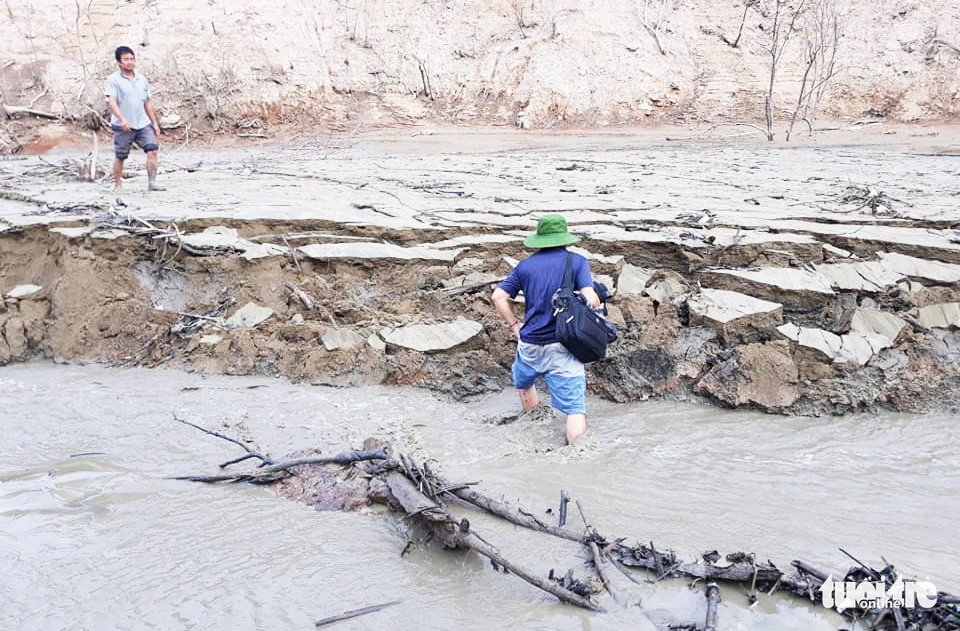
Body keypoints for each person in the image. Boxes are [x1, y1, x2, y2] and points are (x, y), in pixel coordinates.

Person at [491, 214, 601, 445]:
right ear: (565, 238)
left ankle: (533, 428)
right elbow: (591, 300)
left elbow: (498, 296)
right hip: (563, 344)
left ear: (540, 239)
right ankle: (578, 457)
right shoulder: (577, 262)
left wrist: (514, 325)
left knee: (525, 384)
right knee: (574, 410)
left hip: (529, 343)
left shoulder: (525, 266)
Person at [105, 46, 163, 192]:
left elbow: (147, 102)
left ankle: (152, 183)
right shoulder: (113, 80)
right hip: (122, 125)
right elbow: (112, 102)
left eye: (132, 59)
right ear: (119, 62)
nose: (130, 62)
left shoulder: (141, 79)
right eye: (126, 59)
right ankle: (117, 184)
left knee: (152, 150)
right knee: (121, 156)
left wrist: (154, 123)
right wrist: (122, 119)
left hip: (143, 123)